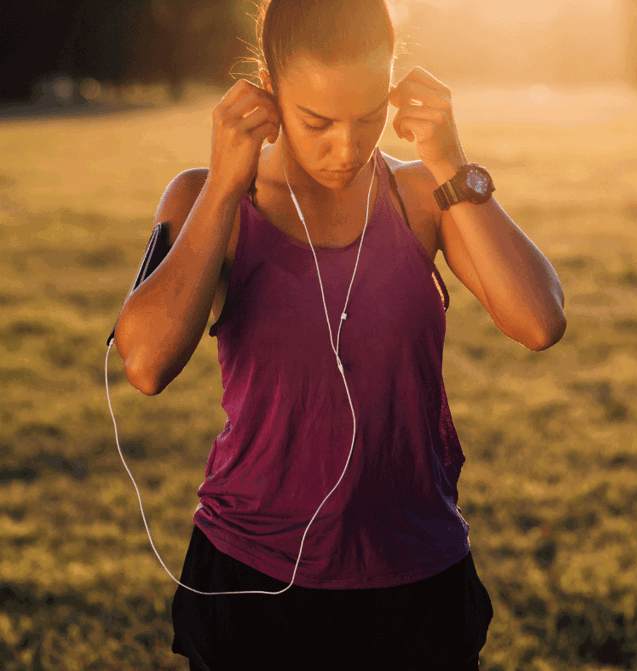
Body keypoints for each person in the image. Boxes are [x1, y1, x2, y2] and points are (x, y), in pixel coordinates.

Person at [113, 0, 566, 668]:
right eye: (317, 121)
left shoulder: (420, 200)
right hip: (251, 581)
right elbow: (147, 364)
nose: (348, 148)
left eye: (368, 117)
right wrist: (222, 191)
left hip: (416, 580)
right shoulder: (209, 202)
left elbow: (538, 320)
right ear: (267, 91)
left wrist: (451, 161)